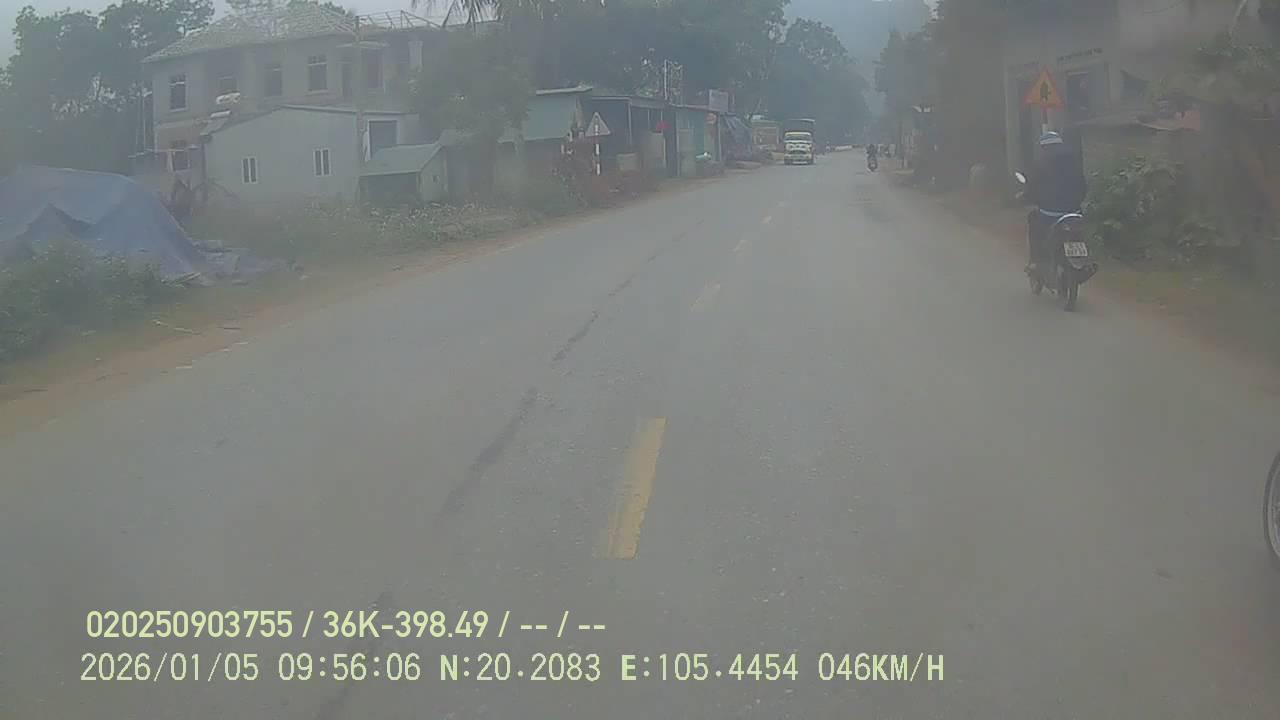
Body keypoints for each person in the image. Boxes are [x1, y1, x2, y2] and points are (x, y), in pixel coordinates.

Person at [1024, 131, 1087, 272]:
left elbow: (1032, 187)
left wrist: (1028, 197)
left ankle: (1036, 260)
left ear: (1044, 147)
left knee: (1034, 221)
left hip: (1050, 213)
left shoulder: (1040, 163)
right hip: (1074, 211)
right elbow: (1082, 185)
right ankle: (1083, 259)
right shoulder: (1074, 161)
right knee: (1079, 232)